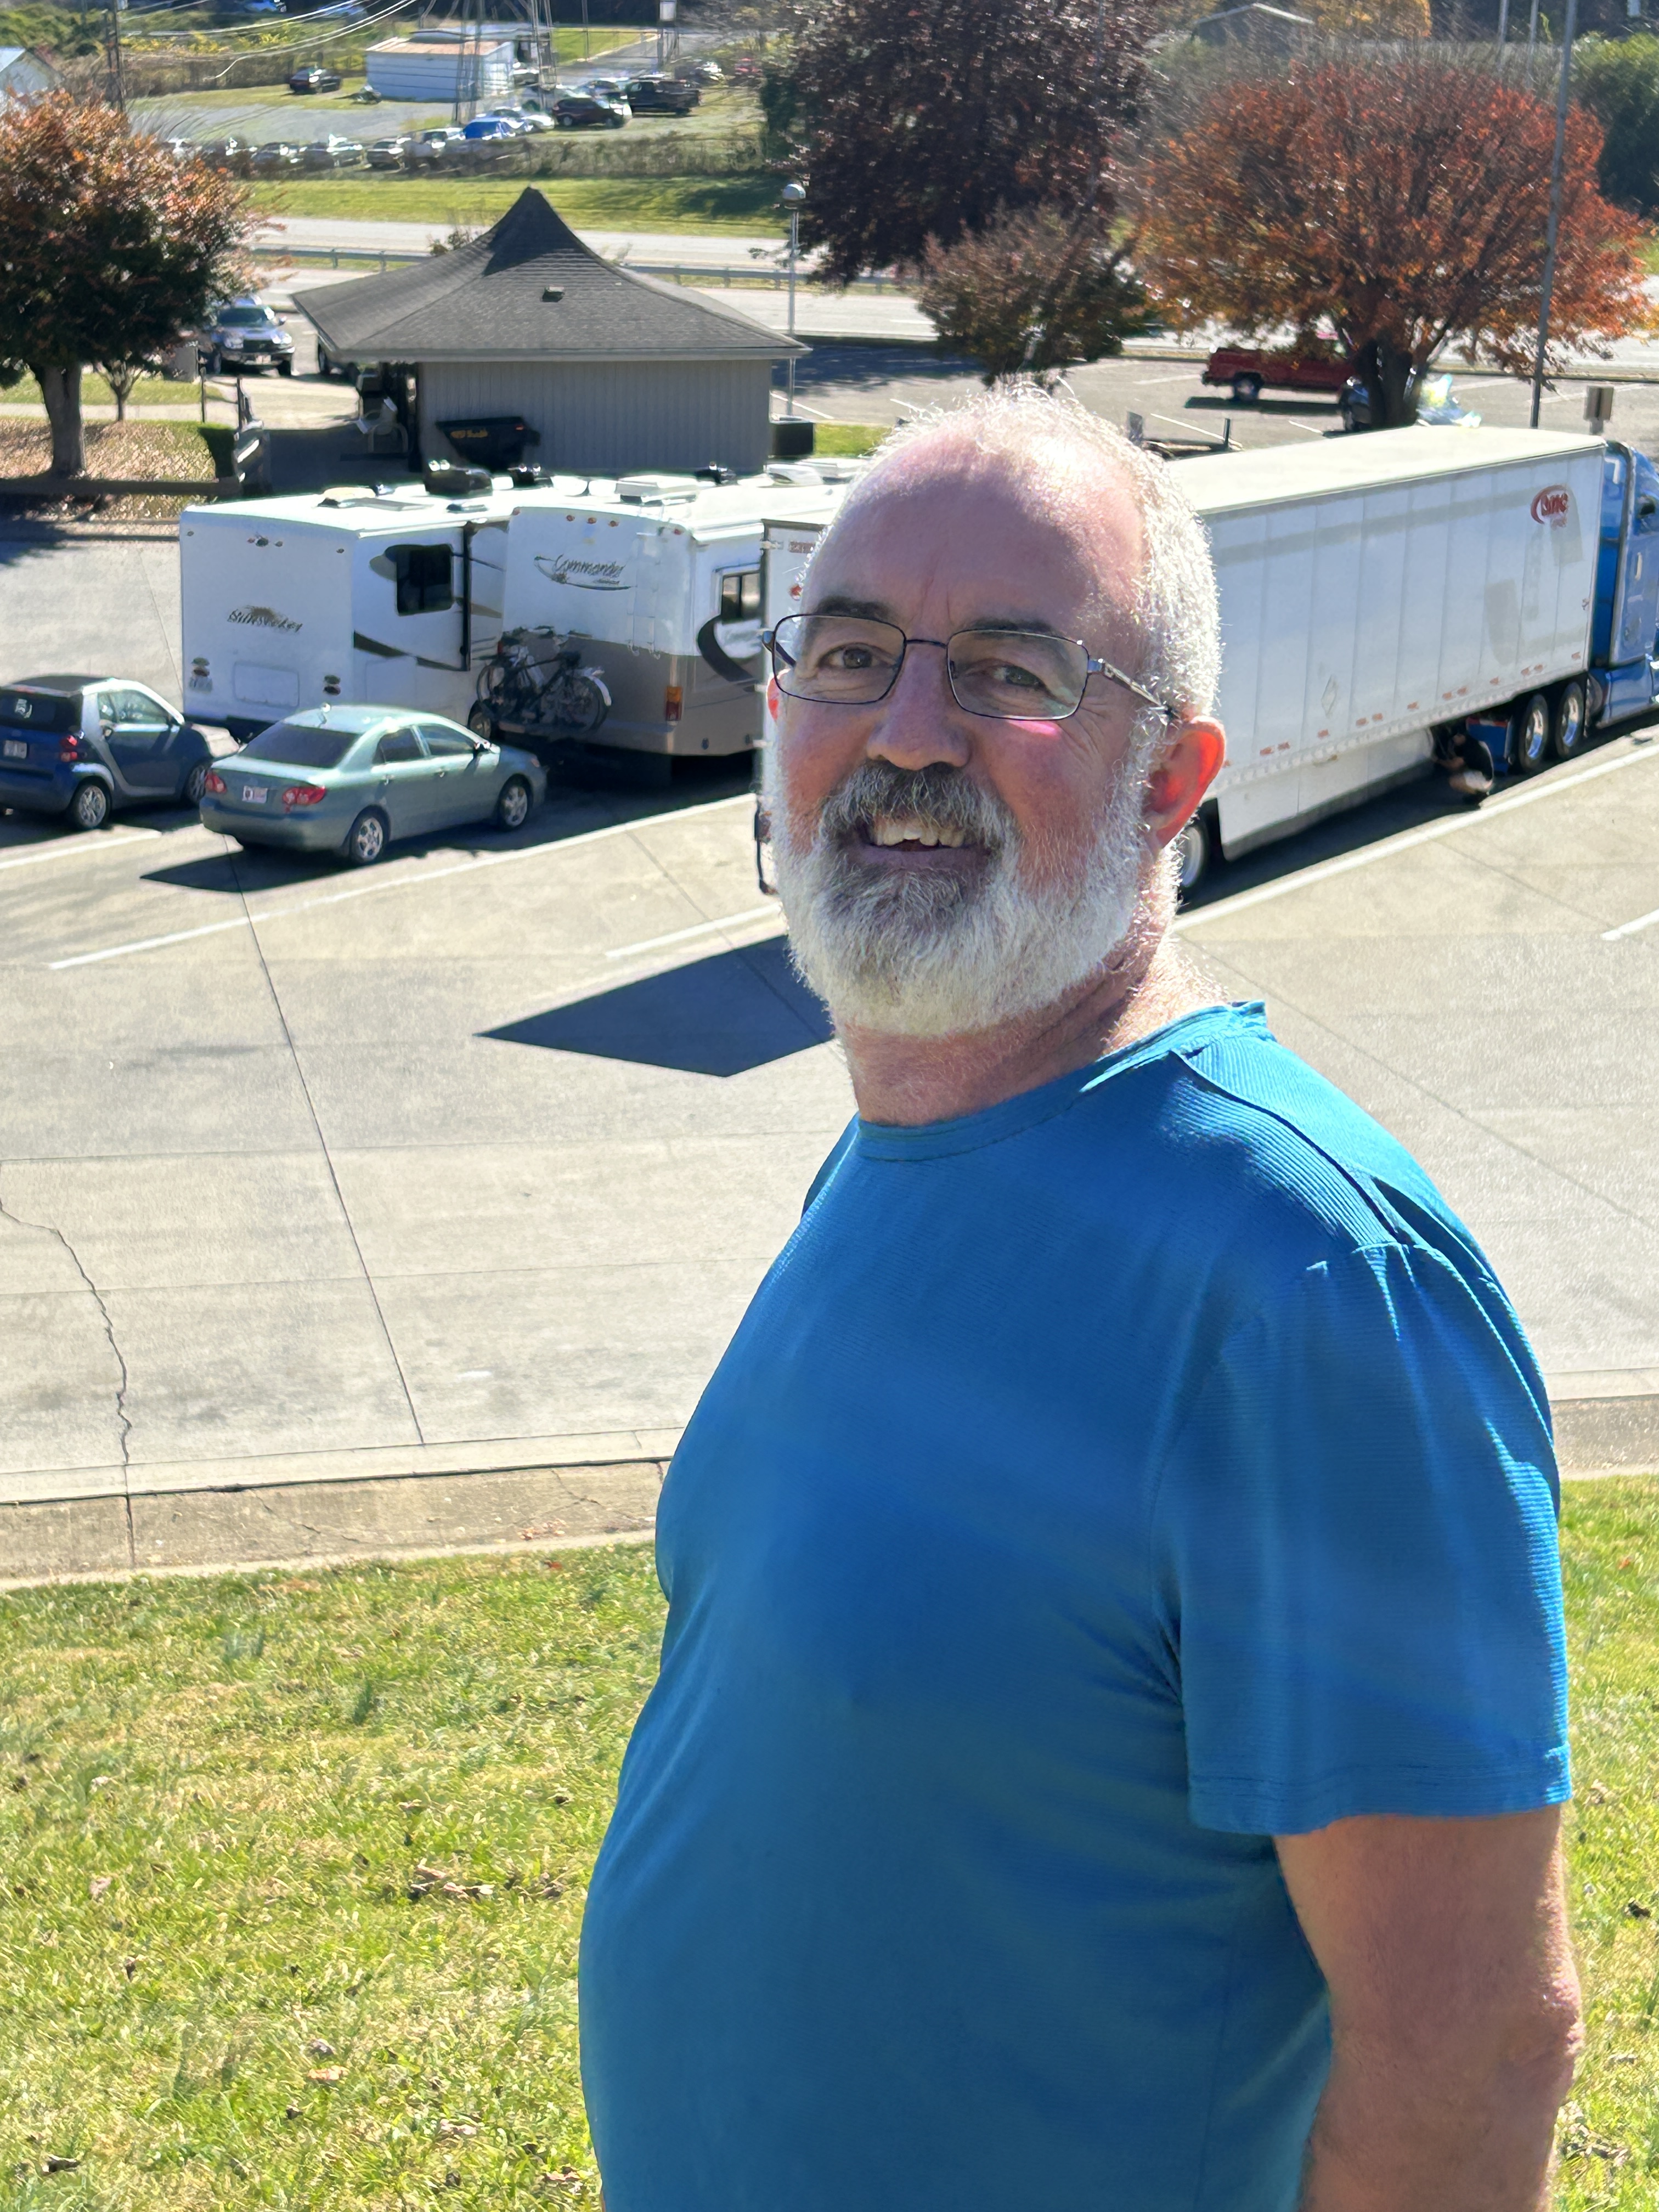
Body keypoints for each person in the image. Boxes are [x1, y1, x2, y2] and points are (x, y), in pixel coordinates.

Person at [578, 385, 1580, 2212]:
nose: (905, 734)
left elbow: (1472, 2053)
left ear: (1174, 784)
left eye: (1010, 671)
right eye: (850, 654)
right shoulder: (895, 1151)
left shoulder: (1308, 1284)